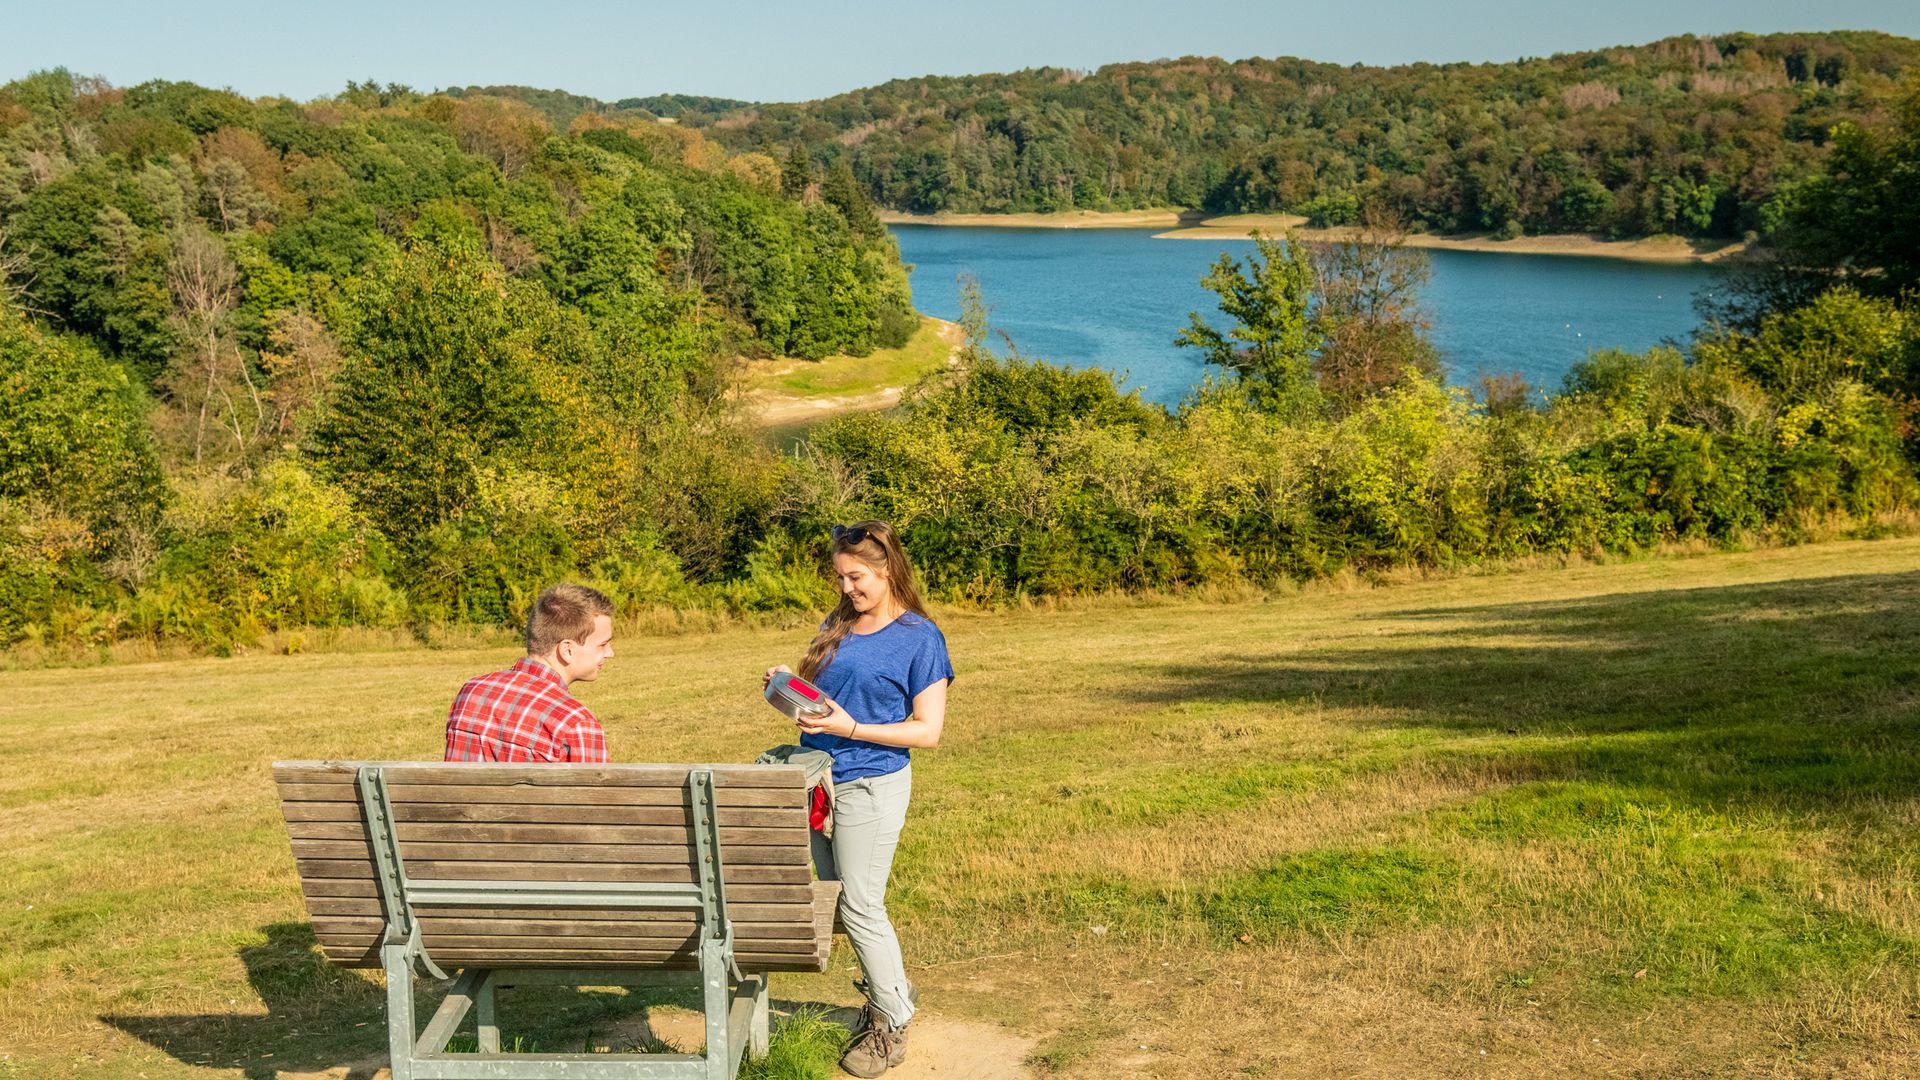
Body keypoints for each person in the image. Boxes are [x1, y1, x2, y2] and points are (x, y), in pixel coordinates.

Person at [764, 520, 952, 1078]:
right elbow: (828, 704)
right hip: (817, 779)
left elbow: (928, 731)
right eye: (841, 578)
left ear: (888, 568)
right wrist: (787, 690)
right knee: (830, 897)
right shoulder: (838, 623)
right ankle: (891, 985)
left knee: (860, 905)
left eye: (857, 577)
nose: (847, 589)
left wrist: (850, 729)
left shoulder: (921, 637)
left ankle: (891, 1020)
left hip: (871, 782)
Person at [446, 583, 616, 762]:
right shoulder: (576, 724)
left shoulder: (470, 692)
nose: (610, 653)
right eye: (603, 645)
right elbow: (597, 790)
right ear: (567, 650)